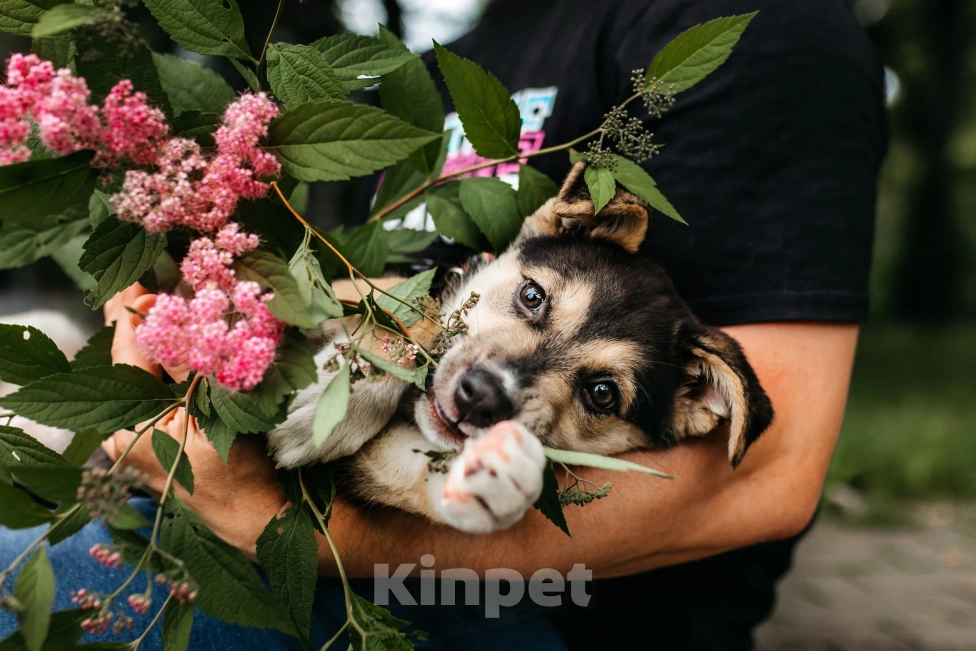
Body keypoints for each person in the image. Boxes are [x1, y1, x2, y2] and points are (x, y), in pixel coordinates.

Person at [0, 0, 885, 649]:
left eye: (599, 383)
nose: (510, 371)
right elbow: (353, 288)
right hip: (237, 495)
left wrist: (275, 517)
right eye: (532, 303)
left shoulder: (762, 28)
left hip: (533, 610)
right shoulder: (436, 57)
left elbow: (763, 476)